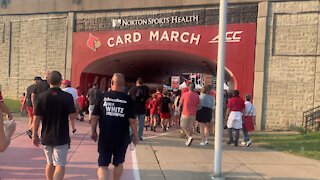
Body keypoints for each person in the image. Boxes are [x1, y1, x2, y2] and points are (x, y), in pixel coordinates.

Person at [91, 73, 138, 180]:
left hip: (105, 136)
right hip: (122, 137)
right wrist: (135, 135)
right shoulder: (128, 99)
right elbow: (132, 121)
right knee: (118, 163)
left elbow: (94, 117)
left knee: (103, 165)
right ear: (123, 84)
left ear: (112, 82)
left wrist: (93, 131)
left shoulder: (102, 97)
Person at [32, 71, 77, 180]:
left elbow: (36, 118)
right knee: (60, 165)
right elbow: (72, 116)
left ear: (48, 81)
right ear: (61, 82)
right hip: (61, 135)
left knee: (49, 162)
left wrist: (34, 135)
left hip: (47, 135)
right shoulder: (67, 97)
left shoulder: (42, 97)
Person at [179, 82, 200, 146]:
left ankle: (188, 137)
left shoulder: (185, 94)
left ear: (188, 87)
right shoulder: (197, 95)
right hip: (193, 113)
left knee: (182, 126)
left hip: (185, 112)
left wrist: (179, 108)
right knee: (190, 127)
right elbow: (199, 105)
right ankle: (188, 139)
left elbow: (180, 103)